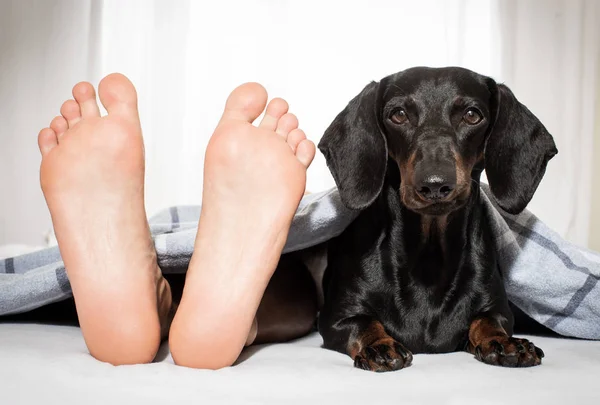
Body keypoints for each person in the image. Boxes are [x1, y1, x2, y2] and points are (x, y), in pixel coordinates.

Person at [37, 73, 316, 369]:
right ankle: (240, 324)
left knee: (297, 271)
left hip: (178, 262)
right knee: (304, 286)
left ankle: (163, 307)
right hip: (211, 253)